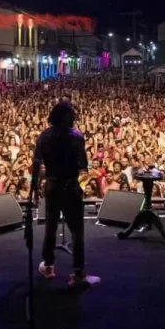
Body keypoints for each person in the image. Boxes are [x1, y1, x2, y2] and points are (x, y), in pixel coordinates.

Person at [32, 101, 100, 287]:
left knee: (50, 227)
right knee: (77, 231)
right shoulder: (76, 137)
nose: (75, 118)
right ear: (66, 117)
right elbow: (83, 165)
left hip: (52, 186)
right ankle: (78, 274)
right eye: (72, 115)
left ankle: (48, 266)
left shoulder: (43, 137)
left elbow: (37, 164)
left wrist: (35, 188)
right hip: (70, 187)